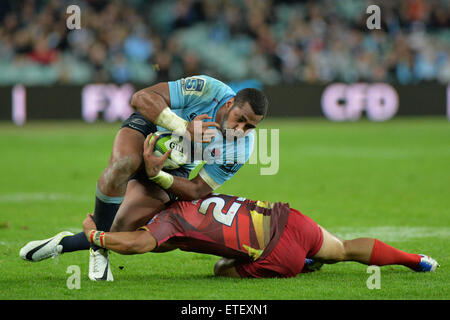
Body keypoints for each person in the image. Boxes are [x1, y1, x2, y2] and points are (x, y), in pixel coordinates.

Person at [20, 75, 268, 281]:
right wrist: (183, 128)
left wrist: (157, 174)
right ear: (229, 103)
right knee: (123, 164)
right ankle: (98, 252)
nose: (241, 129)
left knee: (120, 230)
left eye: (250, 127)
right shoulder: (208, 89)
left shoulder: (242, 149)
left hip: (173, 167)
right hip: (149, 127)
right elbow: (140, 98)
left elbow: (196, 190)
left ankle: (66, 242)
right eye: (240, 119)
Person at [21, 192, 439, 278]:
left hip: (277, 259)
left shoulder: (166, 223)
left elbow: (132, 242)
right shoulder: (198, 192)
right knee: (344, 250)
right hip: (289, 220)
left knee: (222, 270)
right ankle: (415, 260)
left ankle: (304, 264)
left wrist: (94, 234)